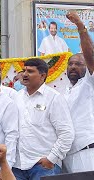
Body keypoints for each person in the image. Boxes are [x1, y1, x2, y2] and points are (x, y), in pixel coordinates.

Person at [12, 58, 75, 180]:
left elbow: (66, 133)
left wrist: (51, 159)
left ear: (42, 75)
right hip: (18, 166)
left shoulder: (54, 98)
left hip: (43, 166)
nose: (24, 74)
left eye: (30, 71)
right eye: (24, 70)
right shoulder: (17, 97)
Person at [62, 11, 94, 173]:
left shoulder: (89, 83)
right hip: (66, 155)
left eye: (78, 64)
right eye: (70, 64)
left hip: (87, 151)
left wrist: (80, 27)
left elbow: (91, 58)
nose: (73, 66)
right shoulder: (64, 92)